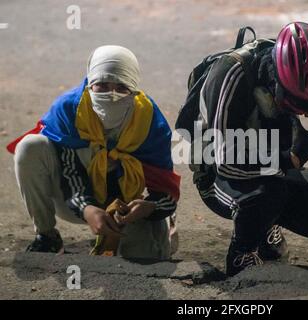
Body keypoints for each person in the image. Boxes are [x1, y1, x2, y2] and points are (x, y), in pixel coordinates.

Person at [177, 22, 308, 276]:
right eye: (297, 105)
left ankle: (266, 222)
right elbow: (226, 162)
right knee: (268, 195)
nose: (305, 113)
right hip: (219, 174)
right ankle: (242, 254)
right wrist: (292, 159)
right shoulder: (231, 76)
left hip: (273, 168)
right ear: (277, 81)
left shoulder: (305, 72)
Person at [7, 45, 180, 259]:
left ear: (134, 89)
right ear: (90, 84)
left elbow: (166, 189)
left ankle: (157, 233)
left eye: (122, 87)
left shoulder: (148, 120)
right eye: (102, 85)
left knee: (146, 258)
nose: (112, 95)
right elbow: (69, 169)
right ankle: (47, 237)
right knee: (30, 146)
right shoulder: (72, 108)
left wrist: (150, 206)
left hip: (126, 207)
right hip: (71, 197)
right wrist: (87, 208)